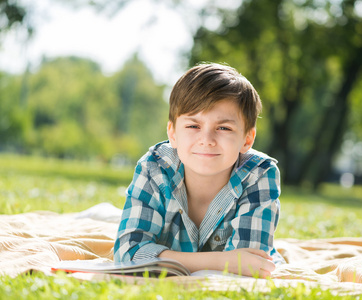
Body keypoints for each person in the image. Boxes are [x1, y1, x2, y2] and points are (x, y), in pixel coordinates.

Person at [114, 63, 284, 278]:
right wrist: (224, 261)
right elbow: (127, 254)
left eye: (224, 128)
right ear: (173, 133)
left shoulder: (259, 173)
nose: (207, 140)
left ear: (247, 139)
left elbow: (250, 265)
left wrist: (161, 258)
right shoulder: (155, 166)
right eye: (193, 126)